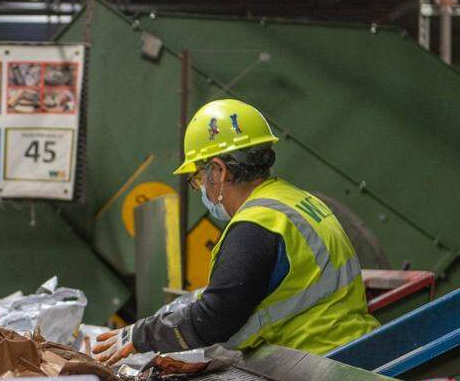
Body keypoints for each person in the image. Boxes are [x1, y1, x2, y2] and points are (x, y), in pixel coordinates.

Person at [95, 98, 378, 364]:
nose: (200, 189)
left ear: (218, 171)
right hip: (357, 347)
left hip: (321, 362)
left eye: (198, 179)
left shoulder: (256, 225)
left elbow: (215, 317)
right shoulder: (295, 201)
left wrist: (141, 335)